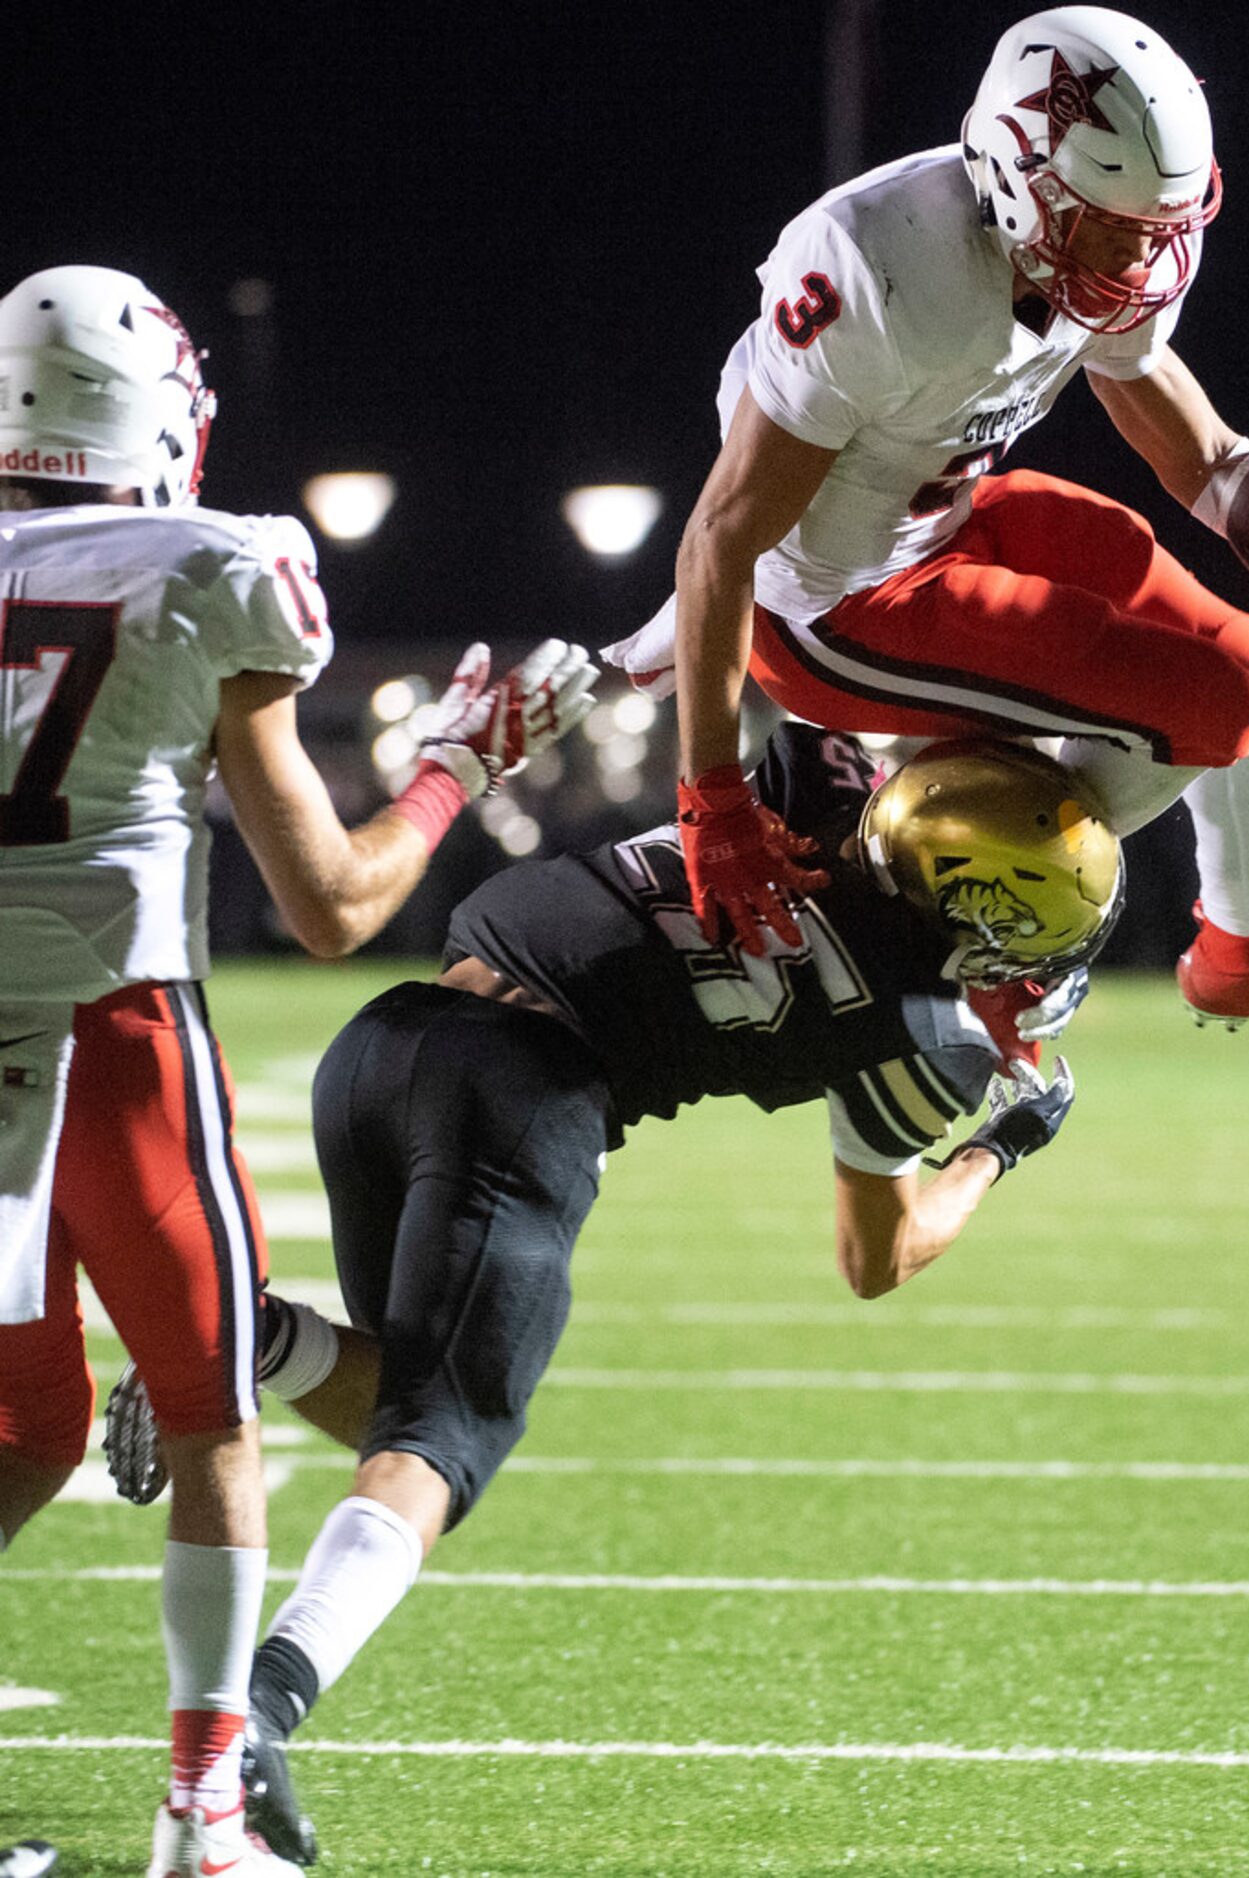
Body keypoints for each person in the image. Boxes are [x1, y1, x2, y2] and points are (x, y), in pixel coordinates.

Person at [105, 726, 1114, 1865]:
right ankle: (254, 1719)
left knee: (396, 1405)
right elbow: (876, 1257)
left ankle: (256, 1339)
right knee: (440, 1445)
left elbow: (787, 671)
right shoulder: (920, 1036)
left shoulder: (809, 779)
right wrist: (996, 1153)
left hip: (387, 1042)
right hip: (523, 1089)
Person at [0, 265, 598, 1878]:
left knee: (32, 1424)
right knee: (206, 1415)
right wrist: (449, 774)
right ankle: (202, 1809)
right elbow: (333, 902)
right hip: (113, 1035)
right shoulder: (206, 566)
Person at [604, 5, 1249, 1048]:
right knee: (1214, 700)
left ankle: (1242, 950)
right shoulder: (877, 267)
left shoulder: (1108, 227)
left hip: (954, 520)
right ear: (1015, 176)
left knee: (1244, 660)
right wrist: (712, 799)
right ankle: (987, 946)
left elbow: (1198, 451)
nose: (1139, 257)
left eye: (1159, 228)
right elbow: (722, 538)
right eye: (1112, 227)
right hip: (834, 605)